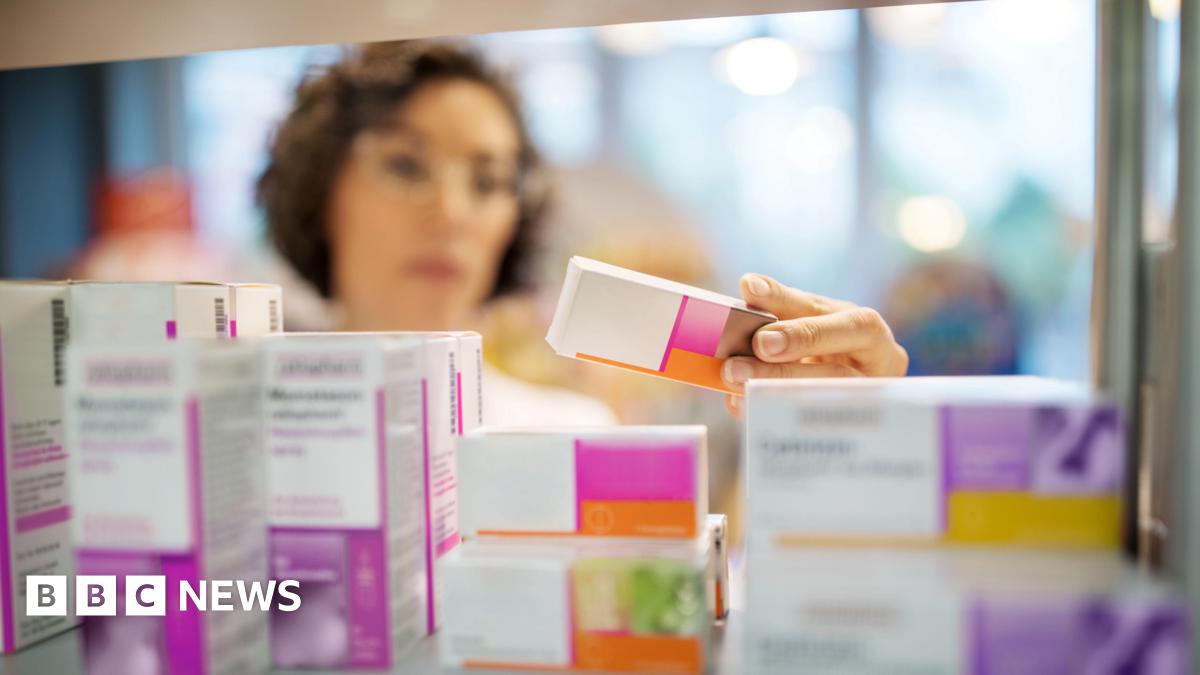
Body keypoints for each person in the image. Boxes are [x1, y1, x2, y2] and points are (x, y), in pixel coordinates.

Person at [258, 40, 907, 425]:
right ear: (318, 188)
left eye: (488, 180)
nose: (452, 212)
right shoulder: (231, 427)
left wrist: (855, 437)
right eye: (404, 165)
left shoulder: (569, 436)